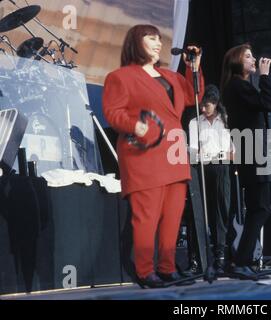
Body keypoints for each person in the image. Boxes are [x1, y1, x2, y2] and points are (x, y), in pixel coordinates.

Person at [102, 24, 204, 288]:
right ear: (137, 42)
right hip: (144, 154)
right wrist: (134, 125)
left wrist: (194, 67)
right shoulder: (121, 77)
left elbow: (195, 97)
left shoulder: (170, 76)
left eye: (160, 39)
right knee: (146, 216)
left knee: (172, 216)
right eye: (151, 38)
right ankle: (145, 271)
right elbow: (113, 112)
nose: (158, 43)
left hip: (173, 153)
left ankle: (167, 268)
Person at [220, 44, 271, 280]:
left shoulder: (243, 86)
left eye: (253, 56)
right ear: (236, 62)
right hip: (251, 149)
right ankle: (241, 261)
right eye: (249, 56)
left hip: (257, 148)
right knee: (259, 207)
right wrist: (264, 77)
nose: (254, 59)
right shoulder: (236, 85)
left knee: (261, 206)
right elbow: (267, 104)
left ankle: (242, 261)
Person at [188, 84, 234, 275]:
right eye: (203, 104)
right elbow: (192, 150)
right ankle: (197, 258)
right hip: (201, 168)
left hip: (221, 168)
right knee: (199, 212)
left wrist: (218, 155)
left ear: (215, 104)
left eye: (208, 104)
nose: (205, 108)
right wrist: (207, 155)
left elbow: (232, 151)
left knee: (221, 209)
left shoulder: (224, 121)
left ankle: (220, 255)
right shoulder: (194, 123)